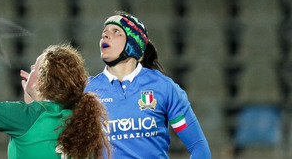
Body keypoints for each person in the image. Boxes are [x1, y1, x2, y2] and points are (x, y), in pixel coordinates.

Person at [84, 12, 211, 158]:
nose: (105, 36)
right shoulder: (86, 91)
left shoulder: (163, 87)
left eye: (116, 31)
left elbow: (198, 146)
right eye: (104, 32)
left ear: (133, 42)